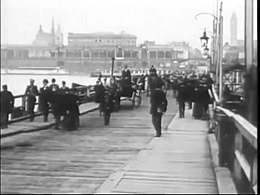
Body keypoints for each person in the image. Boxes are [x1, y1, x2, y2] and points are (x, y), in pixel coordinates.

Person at [149, 69, 167, 137]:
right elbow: (165, 101)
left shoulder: (153, 93)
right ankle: (158, 132)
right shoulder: (162, 93)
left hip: (154, 107)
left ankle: (157, 131)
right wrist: (164, 108)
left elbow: (152, 101)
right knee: (159, 120)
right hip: (160, 107)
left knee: (154, 120)